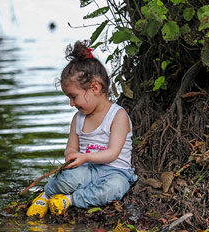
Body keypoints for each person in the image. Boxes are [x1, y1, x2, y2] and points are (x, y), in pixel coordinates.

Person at [27, 40, 137, 218]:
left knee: (114, 188)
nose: (71, 104)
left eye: (73, 97)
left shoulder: (118, 116)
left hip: (115, 172)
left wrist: (85, 156)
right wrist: (71, 156)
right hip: (86, 171)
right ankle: (46, 196)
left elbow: (112, 154)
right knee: (65, 179)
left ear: (95, 88)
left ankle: (69, 200)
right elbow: (71, 147)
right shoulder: (78, 119)